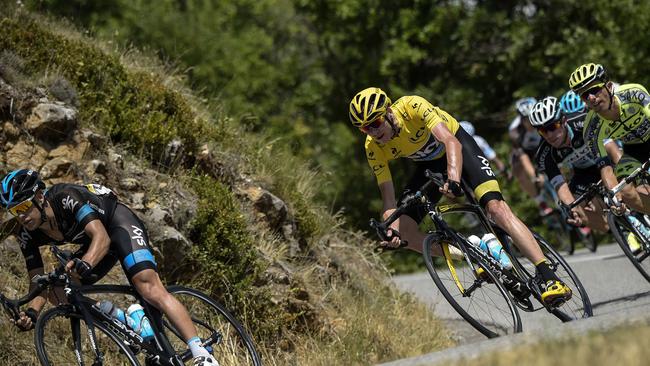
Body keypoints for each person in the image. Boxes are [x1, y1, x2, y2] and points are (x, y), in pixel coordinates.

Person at [349, 87, 572, 304]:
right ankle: (472, 253)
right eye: (366, 129)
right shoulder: (373, 147)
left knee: (495, 208)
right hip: (429, 165)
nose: (374, 132)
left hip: (459, 147)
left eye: (376, 123)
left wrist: (454, 179)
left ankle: (549, 276)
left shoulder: (411, 106)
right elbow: (388, 198)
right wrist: (390, 229)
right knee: (404, 230)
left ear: (388, 112)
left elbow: (450, 141)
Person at [0, 169, 218, 366]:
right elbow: (38, 281)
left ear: (39, 197)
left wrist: (85, 262)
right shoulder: (26, 234)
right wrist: (32, 312)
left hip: (117, 224)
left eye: (23, 207)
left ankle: (201, 353)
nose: (20, 216)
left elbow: (101, 237)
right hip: (93, 242)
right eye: (14, 211)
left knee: (148, 287)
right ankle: (130, 322)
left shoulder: (65, 197)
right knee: (59, 291)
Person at [568, 63, 650, 215]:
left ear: (609, 86)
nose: (592, 98)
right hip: (634, 150)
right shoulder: (591, 129)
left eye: (594, 90)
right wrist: (615, 197)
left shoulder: (633, 93)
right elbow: (605, 168)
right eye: (585, 95)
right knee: (624, 190)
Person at [530, 95, 610, 235]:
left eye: (552, 127)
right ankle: (619, 229)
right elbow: (560, 185)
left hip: (606, 159)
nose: (549, 134)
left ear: (564, 120)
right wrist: (573, 209)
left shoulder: (583, 121)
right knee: (570, 208)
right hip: (585, 173)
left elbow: (611, 146)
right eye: (543, 130)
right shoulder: (545, 153)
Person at [507, 97, 550, 216]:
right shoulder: (515, 132)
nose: (531, 122)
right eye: (526, 119)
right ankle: (540, 201)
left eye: (532, 117)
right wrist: (534, 177)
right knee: (518, 171)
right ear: (521, 119)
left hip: (542, 146)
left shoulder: (544, 118)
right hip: (525, 152)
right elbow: (523, 157)